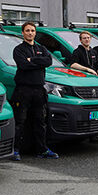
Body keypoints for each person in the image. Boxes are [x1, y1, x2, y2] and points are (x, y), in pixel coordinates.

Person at [11, 21, 58, 160]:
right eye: (27, 30)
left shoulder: (41, 48)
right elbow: (23, 65)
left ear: (35, 33)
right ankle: (15, 150)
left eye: (32, 30)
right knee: (20, 121)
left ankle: (42, 150)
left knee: (40, 121)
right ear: (23, 33)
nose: (30, 33)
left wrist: (33, 59)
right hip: (23, 90)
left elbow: (48, 61)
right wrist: (38, 62)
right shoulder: (18, 49)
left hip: (39, 90)